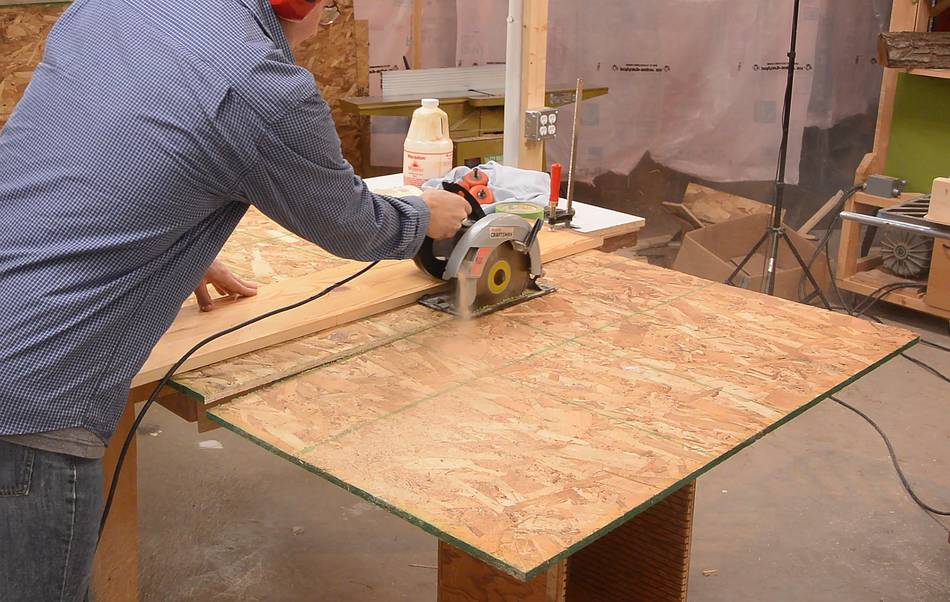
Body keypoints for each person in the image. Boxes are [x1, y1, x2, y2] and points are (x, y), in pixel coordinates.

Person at [0, 0, 471, 598]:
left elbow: (77, 154)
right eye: (325, 12)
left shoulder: (104, 9)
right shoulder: (258, 83)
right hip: (29, 397)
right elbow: (352, 224)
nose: (316, 29)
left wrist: (165, 237)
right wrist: (424, 216)